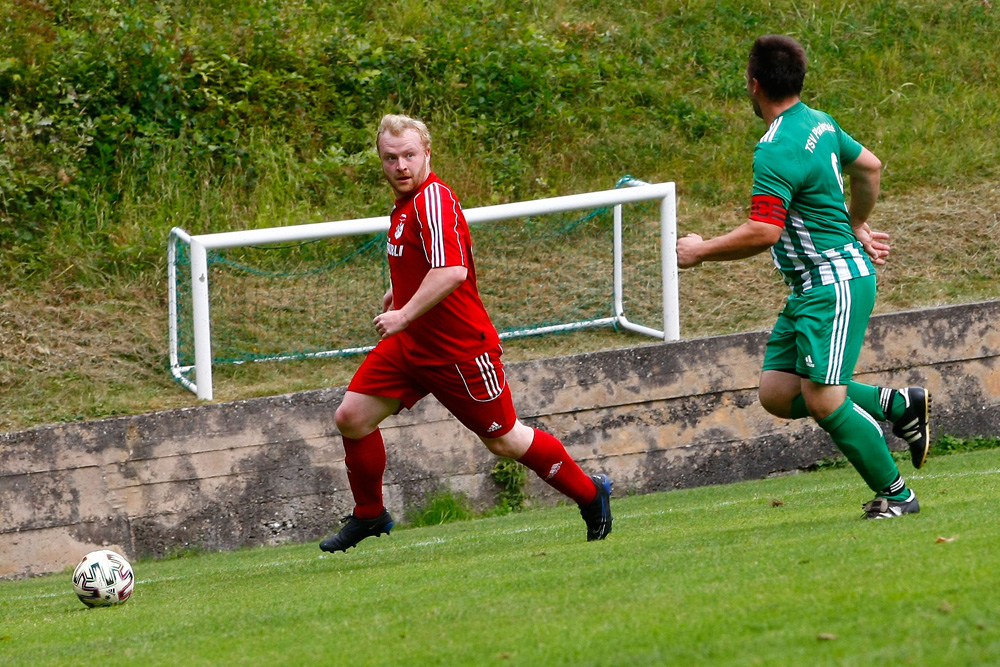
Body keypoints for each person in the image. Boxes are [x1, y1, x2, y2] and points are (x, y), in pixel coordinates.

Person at [320, 114, 612, 552]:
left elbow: (452, 270)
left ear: (427, 154)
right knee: (352, 418)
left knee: (505, 441)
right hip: (413, 346)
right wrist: (398, 295)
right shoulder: (406, 205)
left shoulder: (431, 199)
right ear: (381, 160)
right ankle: (369, 514)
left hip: (460, 351)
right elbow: (425, 261)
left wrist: (402, 314)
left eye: (409, 156)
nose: (400, 165)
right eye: (390, 157)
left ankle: (592, 495)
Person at [676, 35, 931, 520]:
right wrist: (855, 220)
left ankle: (898, 496)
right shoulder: (820, 122)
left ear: (753, 84)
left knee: (822, 398)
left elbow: (764, 232)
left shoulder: (774, 149)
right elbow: (870, 169)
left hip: (831, 283)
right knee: (777, 392)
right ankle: (897, 405)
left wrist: (700, 252)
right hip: (812, 287)